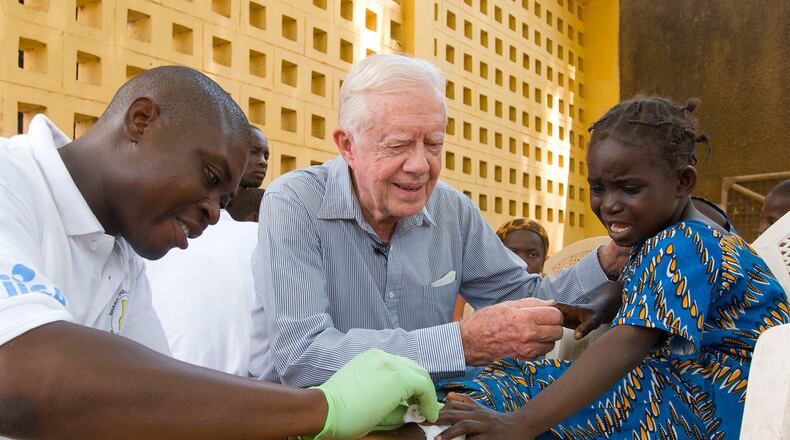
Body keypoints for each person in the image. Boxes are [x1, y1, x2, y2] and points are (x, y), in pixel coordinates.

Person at [0, 66, 441, 439]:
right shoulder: (11, 181)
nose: (213, 214)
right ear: (141, 121)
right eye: (210, 176)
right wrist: (325, 408)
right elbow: (24, 372)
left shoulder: (121, 260)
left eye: (226, 200)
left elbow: (162, 406)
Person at [249, 53, 629, 387]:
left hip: (431, 418)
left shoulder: (453, 211)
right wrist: (460, 344)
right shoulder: (294, 204)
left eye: (433, 144)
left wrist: (607, 261)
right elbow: (303, 357)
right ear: (348, 145)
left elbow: (526, 299)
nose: (420, 166)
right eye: (397, 145)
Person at [434, 97, 790, 439]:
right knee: (513, 382)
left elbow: (628, 343)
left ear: (683, 182)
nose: (610, 205)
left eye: (629, 189)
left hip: (717, 404)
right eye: (598, 188)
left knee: (514, 391)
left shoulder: (683, 242)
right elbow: (657, 287)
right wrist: (608, 299)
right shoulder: (683, 231)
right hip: (694, 389)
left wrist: (519, 425)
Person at [145, 125, 268, 375]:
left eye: (266, 155)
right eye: (253, 153)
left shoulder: (148, 246)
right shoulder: (262, 241)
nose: (262, 162)